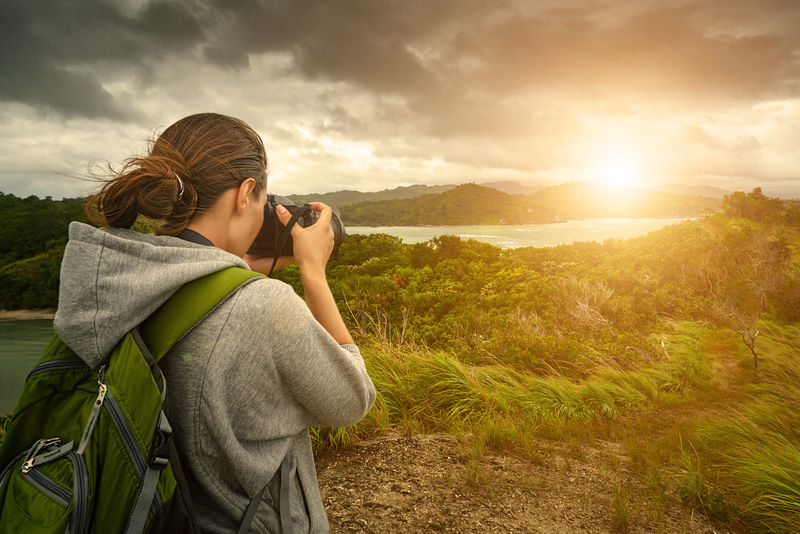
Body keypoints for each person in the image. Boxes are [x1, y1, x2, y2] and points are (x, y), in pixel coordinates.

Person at [54, 112, 376, 533]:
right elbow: (352, 399)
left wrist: (237, 272)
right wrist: (312, 271)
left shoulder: (118, 285)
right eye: (263, 200)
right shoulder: (264, 307)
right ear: (245, 193)